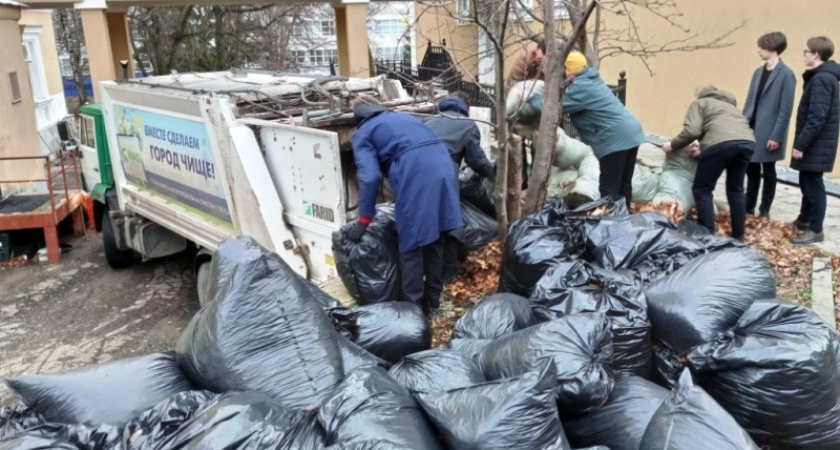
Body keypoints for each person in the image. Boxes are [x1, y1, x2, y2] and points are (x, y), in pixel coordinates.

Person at [346, 98, 463, 316]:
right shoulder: (403, 117)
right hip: (444, 165)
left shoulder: (362, 133)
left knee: (411, 246)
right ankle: (433, 305)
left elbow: (369, 178)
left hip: (417, 173)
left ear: (358, 118)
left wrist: (364, 220)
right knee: (433, 239)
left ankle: (413, 312)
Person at [661, 87, 755, 240]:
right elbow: (725, 133)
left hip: (721, 145)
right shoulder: (731, 107)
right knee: (736, 190)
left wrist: (673, 145)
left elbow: (692, 131)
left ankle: (706, 234)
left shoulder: (700, 103)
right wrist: (704, 150)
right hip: (747, 144)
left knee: (702, 189)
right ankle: (739, 236)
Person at [424, 92, 495, 282]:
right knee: (450, 224)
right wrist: (490, 171)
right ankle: (448, 275)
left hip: (418, 175)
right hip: (444, 176)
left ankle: (430, 272)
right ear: (466, 108)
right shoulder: (467, 124)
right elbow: (476, 160)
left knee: (428, 223)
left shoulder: (429, 121)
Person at [563, 50, 646, 207]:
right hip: (631, 133)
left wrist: (532, 100)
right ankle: (623, 223)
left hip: (615, 139)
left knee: (609, 189)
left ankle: (609, 226)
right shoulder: (592, 79)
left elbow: (554, 108)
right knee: (623, 185)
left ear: (569, 71)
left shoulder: (580, 87)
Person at [790, 36, 840, 245]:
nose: (804, 54)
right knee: (806, 180)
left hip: (816, 143)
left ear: (816, 54)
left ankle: (816, 229)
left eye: (806, 51)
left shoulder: (822, 79)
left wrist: (801, 144)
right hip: (817, 142)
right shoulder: (823, 76)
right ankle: (804, 219)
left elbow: (817, 117)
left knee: (813, 184)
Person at [742, 32, 796, 219]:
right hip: (751, 127)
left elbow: (785, 109)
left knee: (769, 170)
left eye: (762, 47)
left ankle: (765, 210)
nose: (758, 50)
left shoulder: (787, 74)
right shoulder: (758, 72)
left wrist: (776, 136)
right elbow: (749, 101)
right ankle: (748, 207)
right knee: (751, 168)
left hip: (770, 130)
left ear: (772, 48)